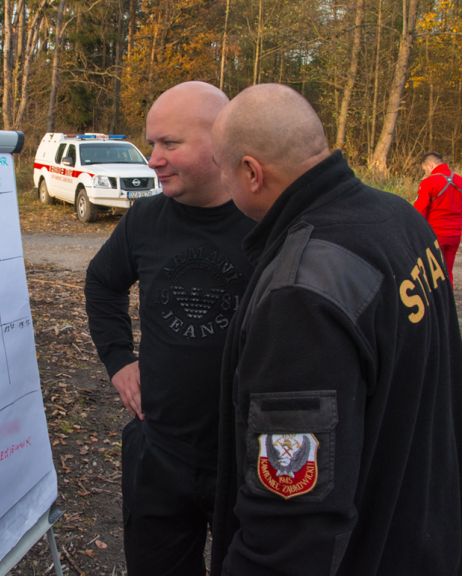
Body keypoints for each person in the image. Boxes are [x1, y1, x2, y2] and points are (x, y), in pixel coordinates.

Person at [210, 83, 462, 575]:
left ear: (251, 173)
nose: (223, 182)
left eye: (224, 170)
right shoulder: (399, 219)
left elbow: (293, 519)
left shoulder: (301, 294)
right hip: (427, 534)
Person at [84, 81, 255, 576]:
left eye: (169, 144)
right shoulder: (146, 220)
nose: (153, 158)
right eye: (151, 143)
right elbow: (102, 282)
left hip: (242, 461)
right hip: (160, 451)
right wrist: (118, 360)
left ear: (220, 143)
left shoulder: (266, 223)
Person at [413, 152, 462, 288]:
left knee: (430, 273)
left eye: (425, 170)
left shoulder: (429, 182)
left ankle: (433, 307)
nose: (426, 173)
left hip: (435, 235)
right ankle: (449, 305)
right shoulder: (459, 180)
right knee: (448, 272)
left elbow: (419, 211)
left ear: (430, 164)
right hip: (455, 235)